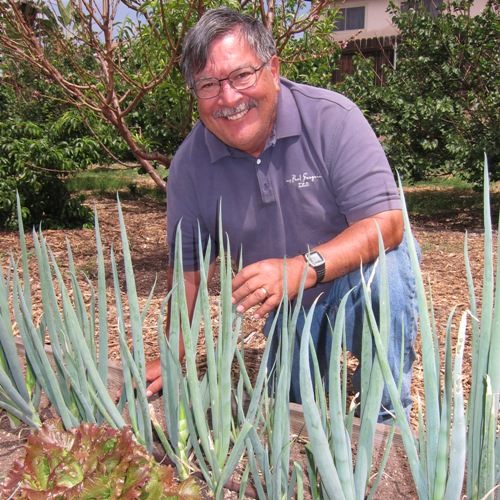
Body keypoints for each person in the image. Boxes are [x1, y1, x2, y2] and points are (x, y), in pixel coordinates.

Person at [145, 7, 420, 423]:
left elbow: (388, 224)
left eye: (242, 75)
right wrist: (171, 355)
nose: (229, 97)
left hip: (354, 280)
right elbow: (189, 273)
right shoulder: (190, 166)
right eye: (208, 85)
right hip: (291, 306)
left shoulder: (332, 119)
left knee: (388, 277)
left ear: (272, 69)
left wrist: (303, 267)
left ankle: (385, 419)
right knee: (290, 419)